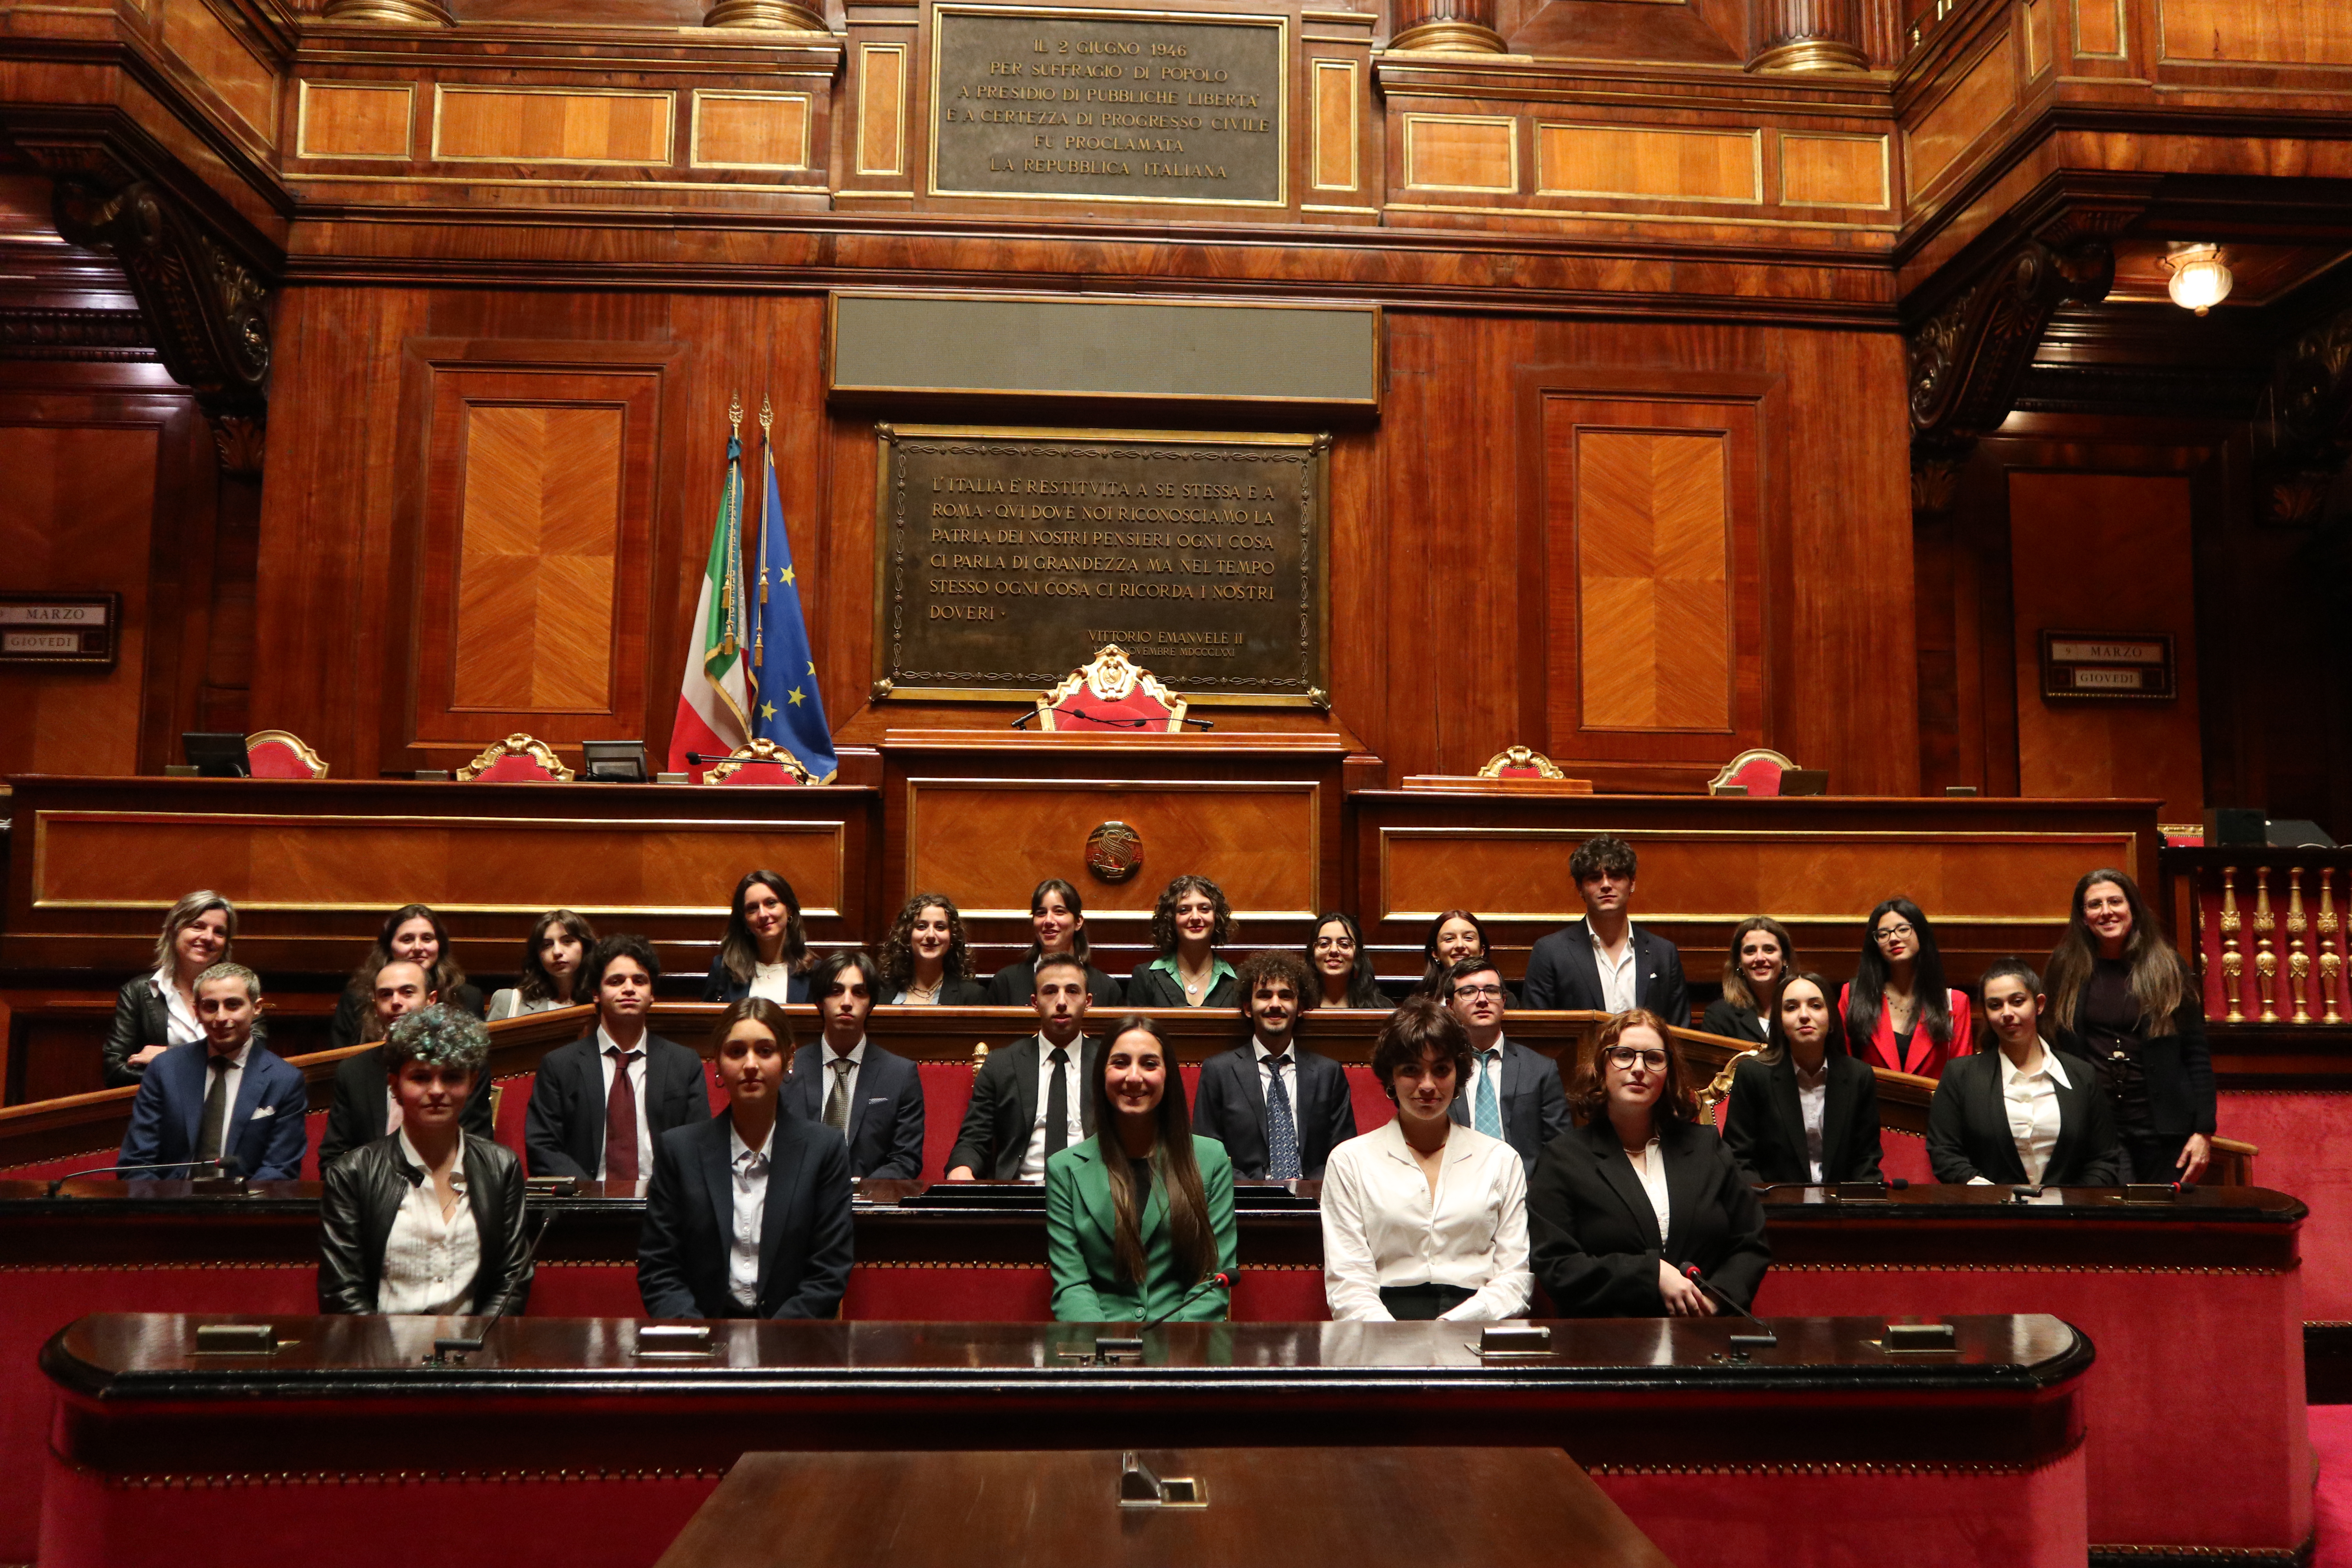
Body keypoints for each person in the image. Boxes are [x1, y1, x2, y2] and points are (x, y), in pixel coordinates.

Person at [1526, 1009, 1769, 1316]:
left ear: (1669, 1073)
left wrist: (1715, 1299)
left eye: (1653, 1059)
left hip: (1704, 1337)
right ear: (1602, 1067)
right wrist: (1650, 1273)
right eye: (1624, 1055)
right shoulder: (1564, 1159)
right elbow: (1556, 1265)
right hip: (1608, 1341)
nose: (1639, 1068)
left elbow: (1751, 1242)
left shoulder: (1707, 1148)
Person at [638, 999, 855, 1319]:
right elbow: (660, 1269)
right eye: (736, 1052)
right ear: (717, 1064)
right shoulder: (679, 1151)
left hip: (791, 1344)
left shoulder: (824, 1149)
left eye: (765, 1051)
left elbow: (829, 1271)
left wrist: (772, 1344)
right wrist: (700, 1339)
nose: (750, 1064)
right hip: (703, 1341)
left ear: (789, 1058)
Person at [1320, 998, 1532, 1322]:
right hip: (1382, 1329)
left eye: (1441, 1070)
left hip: (1478, 1324)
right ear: (1391, 1077)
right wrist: (1398, 1342)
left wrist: (1451, 1327)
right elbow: (1349, 1283)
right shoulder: (1350, 1161)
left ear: (1459, 1075)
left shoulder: (1501, 1160)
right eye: (1411, 1070)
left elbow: (1514, 1280)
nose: (1428, 1085)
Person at [317, 1005, 534, 1316]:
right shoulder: (353, 1174)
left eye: (452, 1077)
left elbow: (512, 1281)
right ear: (395, 1085)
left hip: (474, 1354)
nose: (437, 1091)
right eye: (420, 1078)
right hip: (381, 1354)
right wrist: (385, 1357)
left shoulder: (502, 1167)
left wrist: (475, 1349)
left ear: (472, 1084)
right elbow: (342, 1291)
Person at [1046, 1016, 1237, 1323]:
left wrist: (1169, 1348)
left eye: (1149, 1064)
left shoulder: (1211, 1159)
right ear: (1102, 1074)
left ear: (1168, 1076)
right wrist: (1110, 1352)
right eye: (1120, 1063)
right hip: (1099, 1351)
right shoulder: (1064, 1169)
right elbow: (1072, 1286)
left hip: (1184, 1350)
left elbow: (1212, 1282)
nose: (1134, 1077)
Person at [2042, 868, 2215, 1184]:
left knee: (2161, 1224)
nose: (2106, 912)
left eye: (2115, 902)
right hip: (2098, 1127)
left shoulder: (2168, 966)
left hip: (2164, 1129)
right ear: (2083, 917)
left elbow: (2196, 1053)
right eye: (2095, 905)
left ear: (2132, 909)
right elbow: (2050, 1047)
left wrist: (2204, 1131)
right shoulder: (2064, 968)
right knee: (2114, 1221)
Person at [524, 935, 710, 1180]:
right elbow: (543, 1147)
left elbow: (699, 1143)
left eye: (640, 981)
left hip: (664, 1206)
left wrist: (665, 1198)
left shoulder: (684, 1063)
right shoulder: (559, 1066)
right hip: (582, 1207)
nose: (629, 988)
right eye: (616, 981)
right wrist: (591, 1198)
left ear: (652, 993)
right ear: (596, 994)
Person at [1927, 960, 2123, 1188]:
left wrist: (2073, 1203)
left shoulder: (2081, 1075)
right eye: (1995, 1005)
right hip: (1990, 1215)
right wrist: (1988, 1197)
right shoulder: (1960, 1076)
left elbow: (2105, 1158)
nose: (2007, 1013)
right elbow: (1944, 1153)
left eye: (2017, 1002)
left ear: (2039, 1005)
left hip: (2069, 1218)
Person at [118, 963, 308, 1181]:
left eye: (233, 1005)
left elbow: (280, 1169)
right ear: (197, 1011)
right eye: (210, 1007)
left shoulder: (284, 1080)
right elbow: (136, 1163)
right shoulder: (165, 1069)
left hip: (245, 1206)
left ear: (257, 1008)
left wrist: (234, 1212)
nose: (220, 1017)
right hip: (169, 1204)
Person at [1190, 950, 1356, 1180]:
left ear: (1300, 1008)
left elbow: (1345, 1154)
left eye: (1286, 996)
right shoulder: (1219, 1072)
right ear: (1248, 1008)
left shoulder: (1328, 1074)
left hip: (1315, 1202)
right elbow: (1206, 1154)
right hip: (1242, 1202)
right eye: (1265, 995)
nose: (1275, 1004)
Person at [318, 959, 495, 1169]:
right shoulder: (353, 1071)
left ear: (431, 1000)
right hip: (373, 1191)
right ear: (376, 1006)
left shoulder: (461, 1066)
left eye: (408, 992)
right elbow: (334, 1159)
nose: (396, 1002)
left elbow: (476, 1148)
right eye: (386, 995)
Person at [947, 955, 1102, 1181]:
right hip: (1020, 1192)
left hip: (1091, 1194)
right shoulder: (1002, 1064)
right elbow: (973, 1140)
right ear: (1034, 1002)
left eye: (1072, 991)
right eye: (1050, 991)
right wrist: (961, 1171)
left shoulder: (1109, 1063)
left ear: (1088, 1002)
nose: (1061, 1002)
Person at [1722, 971, 1884, 1186]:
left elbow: (1866, 1161)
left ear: (1832, 1020)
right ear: (1780, 1023)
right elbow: (1738, 1159)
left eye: (1816, 1006)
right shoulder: (1754, 1075)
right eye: (1791, 1008)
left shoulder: (1858, 1077)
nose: (1804, 1015)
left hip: (1840, 1210)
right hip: (1775, 1207)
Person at [781, 951, 926, 1180]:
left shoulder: (900, 1075)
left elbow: (905, 1160)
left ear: (871, 1004)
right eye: (836, 992)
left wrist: (856, 1192)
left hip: (868, 1205)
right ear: (820, 1000)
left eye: (858, 993)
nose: (847, 1003)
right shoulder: (787, 1069)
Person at [1521, 836, 1690, 1025]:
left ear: (1632, 884)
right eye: (1595, 878)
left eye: (1616, 876)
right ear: (1580, 888)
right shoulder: (1550, 951)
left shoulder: (1664, 953)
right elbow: (1538, 1031)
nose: (1606, 885)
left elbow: (1679, 1031)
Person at [103, 891, 256, 1087]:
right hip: (162, 1110)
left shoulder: (242, 990)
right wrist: (204, 1068)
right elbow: (115, 1071)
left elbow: (252, 1058)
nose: (208, 937)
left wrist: (170, 1056)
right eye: (197, 927)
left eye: (219, 932)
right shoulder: (138, 991)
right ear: (175, 931)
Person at [1441, 955, 1567, 1176]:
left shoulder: (1540, 1070)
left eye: (1491, 991)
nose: (1482, 1000)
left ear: (1504, 1001)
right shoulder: (1437, 1071)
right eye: (1469, 992)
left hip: (1526, 1194)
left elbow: (1560, 1150)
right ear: (1450, 1006)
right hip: (1454, 1190)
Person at [1841, 898, 1973, 1078]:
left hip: (1933, 1104)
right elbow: (1844, 1068)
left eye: (1903, 930)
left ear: (1921, 934)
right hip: (1874, 1103)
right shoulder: (1853, 995)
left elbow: (1963, 1077)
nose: (1894, 939)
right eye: (1883, 934)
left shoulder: (1955, 1003)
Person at [328, 905, 485, 1050]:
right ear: (389, 946)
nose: (418, 948)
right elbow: (341, 1060)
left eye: (427, 939)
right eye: (407, 939)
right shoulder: (358, 997)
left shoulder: (468, 997)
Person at [985, 878, 1125, 1007]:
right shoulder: (1005, 983)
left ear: (1078, 922)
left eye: (1059, 912)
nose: (1048, 921)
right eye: (1041, 913)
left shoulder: (1107, 988)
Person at [1126, 875, 1239, 1007]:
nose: (1196, 917)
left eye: (1204, 909)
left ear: (1217, 917)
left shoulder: (1239, 979)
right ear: (1171, 920)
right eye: (1184, 910)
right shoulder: (1145, 977)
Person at [701, 870, 813, 1004]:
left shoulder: (814, 972)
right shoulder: (723, 970)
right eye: (753, 908)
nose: (763, 915)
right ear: (745, 921)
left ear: (789, 910)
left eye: (771, 903)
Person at [1700, 917, 1797, 1045]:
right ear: (1739, 962)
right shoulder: (1719, 1016)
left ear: (1785, 959)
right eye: (1750, 951)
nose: (1760, 958)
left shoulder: (1803, 1009)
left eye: (1769, 950)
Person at [877, 892, 987, 1005]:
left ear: (953, 937)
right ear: (907, 935)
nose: (931, 935)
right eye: (922, 927)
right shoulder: (880, 992)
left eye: (940, 927)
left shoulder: (972, 996)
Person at [487, 909, 598, 1020]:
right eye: (547, 945)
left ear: (585, 947)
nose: (557, 952)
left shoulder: (602, 1003)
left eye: (567, 941)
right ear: (538, 955)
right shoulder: (508, 1001)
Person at [1306, 911, 1386, 1009]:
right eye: (1324, 944)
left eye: (1344, 945)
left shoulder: (1382, 1008)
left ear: (1357, 954)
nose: (1334, 950)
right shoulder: (1298, 1006)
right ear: (1312, 953)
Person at [1414, 909, 1497, 999]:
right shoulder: (1419, 1001)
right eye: (1449, 939)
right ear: (1435, 953)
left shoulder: (1503, 1000)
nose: (1460, 945)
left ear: (1482, 950)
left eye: (1468, 938)